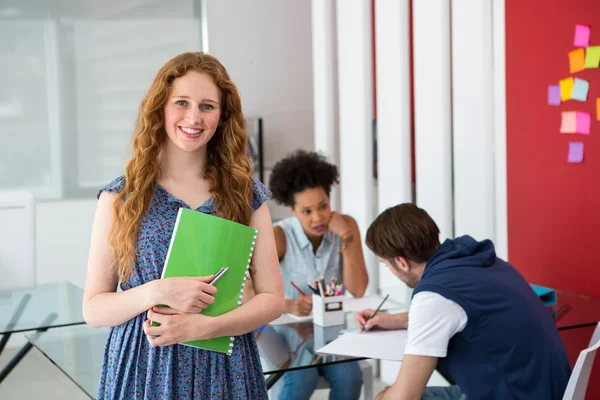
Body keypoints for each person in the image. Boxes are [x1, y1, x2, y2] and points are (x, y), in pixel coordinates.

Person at [82, 52, 284, 400]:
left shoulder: (246, 195)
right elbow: (94, 309)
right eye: (181, 102)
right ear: (160, 107)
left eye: (207, 106)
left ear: (222, 116)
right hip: (144, 367)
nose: (194, 117)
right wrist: (157, 291)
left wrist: (209, 326)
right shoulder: (120, 197)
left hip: (226, 368)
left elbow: (273, 299)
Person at [355, 203, 571, 400]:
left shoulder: (433, 297)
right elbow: (457, 312)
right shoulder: (478, 260)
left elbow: (405, 397)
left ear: (401, 263)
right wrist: (394, 320)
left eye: (386, 265)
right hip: (541, 388)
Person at [268, 150, 369, 400]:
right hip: (287, 330)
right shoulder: (279, 236)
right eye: (306, 211)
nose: (318, 218)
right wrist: (289, 304)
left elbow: (358, 289)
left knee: (350, 377)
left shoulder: (346, 227)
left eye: (323, 206)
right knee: (303, 378)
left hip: (331, 329)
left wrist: (347, 238)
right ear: (292, 210)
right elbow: (249, 292)